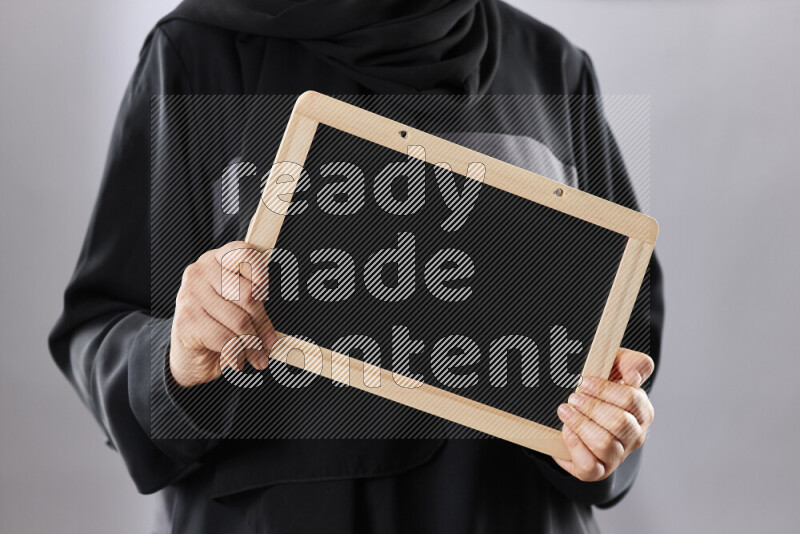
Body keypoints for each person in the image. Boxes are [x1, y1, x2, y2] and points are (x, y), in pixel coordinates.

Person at [50, 1, 664, 532]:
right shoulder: (195, 55)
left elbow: (620, 334)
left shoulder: (553, 67)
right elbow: (100, 321)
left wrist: (606, 432)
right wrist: (173, 356)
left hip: (509, 514)